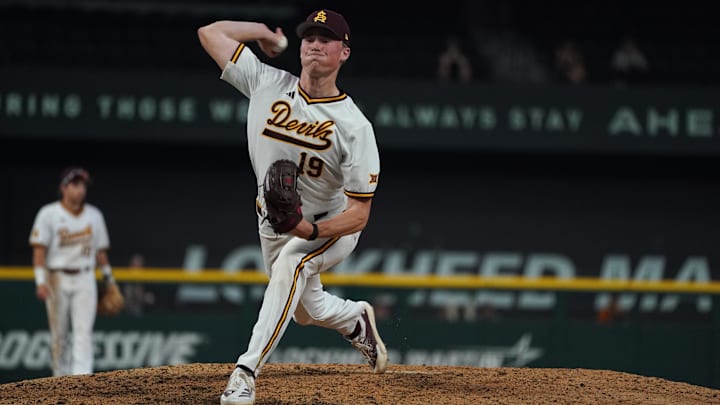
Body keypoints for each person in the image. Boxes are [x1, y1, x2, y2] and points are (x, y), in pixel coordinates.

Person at [198, 8, 387, 405]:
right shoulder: (266, 81)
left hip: (329, 223)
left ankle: (244, 374)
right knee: (303, 309)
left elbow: (360, 214)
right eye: (309, 38)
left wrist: (312, 232)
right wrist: (264, 33)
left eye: (326, 39)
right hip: (273, 221)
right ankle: (354, 320)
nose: (315, 45)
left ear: (344, 52)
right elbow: (210, 33)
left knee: (292, 265)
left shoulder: (355, 126)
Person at [29, 166, 116, 376]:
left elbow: (99, 252)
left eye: (83, 185)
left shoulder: (94, 215)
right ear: (63, 188)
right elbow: (39, 251)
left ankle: (82, 381)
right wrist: (40, 281)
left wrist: (109, 278)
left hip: (85, 276)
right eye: (75, 184)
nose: (80, 190)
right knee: (59, 334)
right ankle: (60, 381)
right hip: (56, 277)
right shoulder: (49, 214)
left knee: (83, 333)